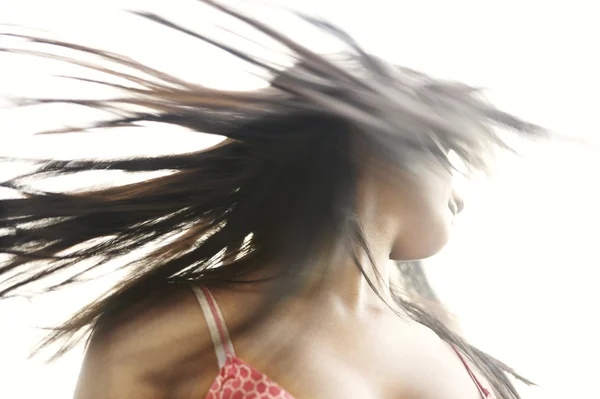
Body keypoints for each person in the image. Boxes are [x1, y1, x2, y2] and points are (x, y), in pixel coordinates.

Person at [0, 1, 545, 398]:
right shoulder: (178, 330)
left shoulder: (465, 360)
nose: (460, 194)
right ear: (371, 138)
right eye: (445, 153)